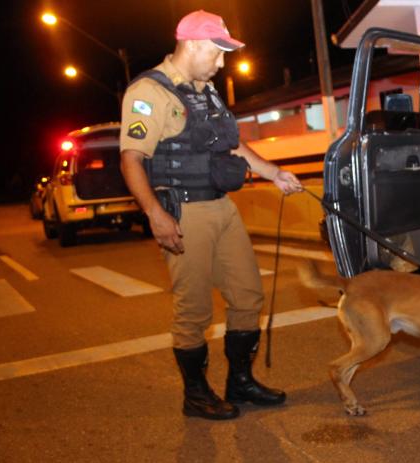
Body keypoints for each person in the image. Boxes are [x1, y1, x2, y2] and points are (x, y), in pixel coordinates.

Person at [119, 10, 303, 420]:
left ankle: (240, 381)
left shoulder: (207, 91)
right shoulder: (150, 92)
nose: (222, 64)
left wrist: (274, 173)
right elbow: (131, 159)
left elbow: (231, 146)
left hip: (221, 205)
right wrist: (154, 214)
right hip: (184, 211)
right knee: (195, 309)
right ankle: (196, 394)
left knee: (248, 296)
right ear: (193, 44)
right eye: (218, 53)